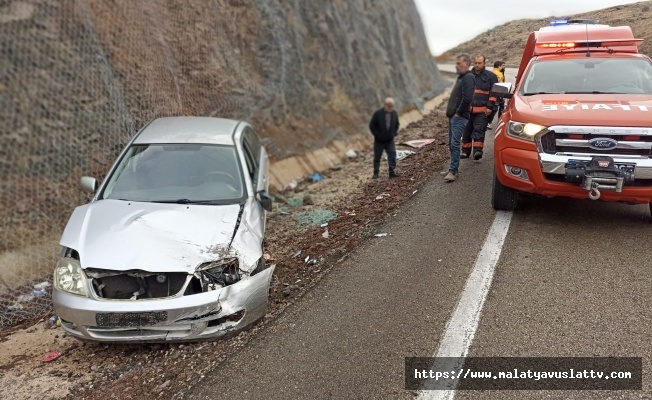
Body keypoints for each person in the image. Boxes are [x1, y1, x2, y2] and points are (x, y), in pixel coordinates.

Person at [442, 54, 474, 182]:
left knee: (455, 144)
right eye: (457, 63)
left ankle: (453, 172)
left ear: (466, 64)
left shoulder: (468, 77)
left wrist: (458, 113)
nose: (457, 65)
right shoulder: (462, 77)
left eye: (459, 63)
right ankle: (452, 168)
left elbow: (467, 98)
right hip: (453, 116)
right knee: (451, 143)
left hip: (459, 117)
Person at [461, 55, 498, 160]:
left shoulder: (491, 76)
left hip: (482, 110)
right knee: (466, 132)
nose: (477, 65)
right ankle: (465, 152)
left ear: (484, 63)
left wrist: (490, 107)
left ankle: (477, 151)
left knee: (479, 130)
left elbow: (494, 93)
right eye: (475, 63)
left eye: (479, 63)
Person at [369, 98, 400, 179]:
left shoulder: (394, 114)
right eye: (389, 106)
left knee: (392, 155)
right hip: (379, 141)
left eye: (392, 106)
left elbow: (397, 124)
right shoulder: (378, 113)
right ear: (385, 105)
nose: (390, 108)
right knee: (377, 157)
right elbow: (372, 125)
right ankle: (376, 172)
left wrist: (394, 133)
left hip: (390, 140)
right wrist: (377, 135)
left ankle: (392, 172)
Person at [489, 60, 506, 128]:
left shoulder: (495, 72)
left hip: (496, 92)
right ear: (499, 66)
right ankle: (489, 121)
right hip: (497, 93)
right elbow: (500, 84)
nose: (504, 67)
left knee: (500, 106)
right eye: (503, 66)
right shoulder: (498, 74)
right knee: (495, 108)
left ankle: (496, 121)